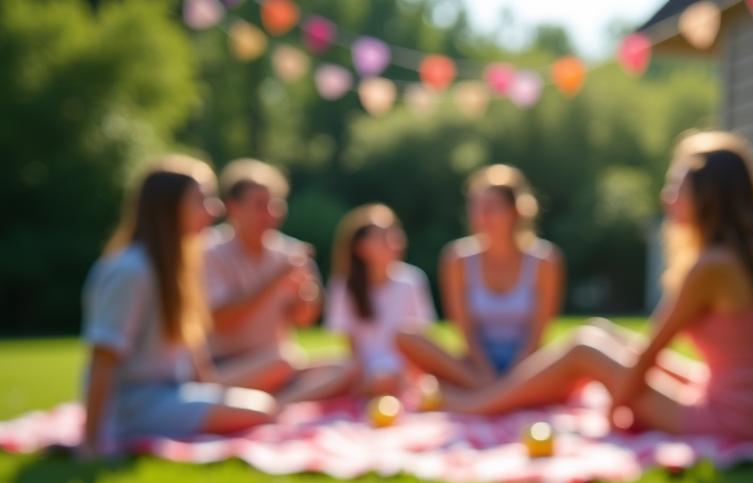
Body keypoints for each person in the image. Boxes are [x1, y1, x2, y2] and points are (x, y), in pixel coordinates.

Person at [443, 133, 753, 443]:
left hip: (745, 423)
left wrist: (617, 405)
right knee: (603, 332)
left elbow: (650, 352)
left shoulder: (710, 267)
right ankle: (497, 394)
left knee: (586, 346)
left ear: (708, 196)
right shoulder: (748, 256)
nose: (667, 198)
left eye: (676, 188)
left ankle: (476, 404)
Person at [81, 156, 277, 455]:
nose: (214, 210)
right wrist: (92, 443)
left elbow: (195, 355)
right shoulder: (131, 270)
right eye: (201, 199)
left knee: (264, 398)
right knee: (260, 408)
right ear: (169, 206)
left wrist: (211, 389)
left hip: (171, 392)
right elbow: (103, 358)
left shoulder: (179, 265)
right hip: (134, 404)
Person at [398, 164, 564, 388]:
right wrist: (487, 374)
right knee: (407, 336)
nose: (481, 215)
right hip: (476, 366)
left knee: (587, 344)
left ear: (515, 211)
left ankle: (488, 396)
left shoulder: (546, 260)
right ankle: (497, 393)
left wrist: (515, 377)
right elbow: (465, 332)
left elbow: (537, 336)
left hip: (529, 365)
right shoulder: (456, 259)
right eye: (476, 206)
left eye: (491, 207)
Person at [284, 204, 435, 400]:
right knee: (310, 367)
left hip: (399, 372)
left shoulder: (412, 280)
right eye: (384, 237)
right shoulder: (343, 286)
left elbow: (421, 338)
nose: (395, 242)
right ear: (362, 248)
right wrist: (363, 372)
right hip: (359, 369)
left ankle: (291, 400)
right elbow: (350, 347)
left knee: (373, 378)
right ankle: (286, 400)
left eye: (395, 234)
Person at [203, 159, 324, 392]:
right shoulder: (209, 250)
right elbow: (221, 321)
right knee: (284, 362)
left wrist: (306, 297)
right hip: (226, 365)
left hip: (278, 362)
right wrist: (275, 280)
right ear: (233, 208)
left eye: (275, 205)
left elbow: (304, 321)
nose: (270, 214)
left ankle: (279, 403)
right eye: (260, 205)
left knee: (346, 366)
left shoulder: (291, 252)